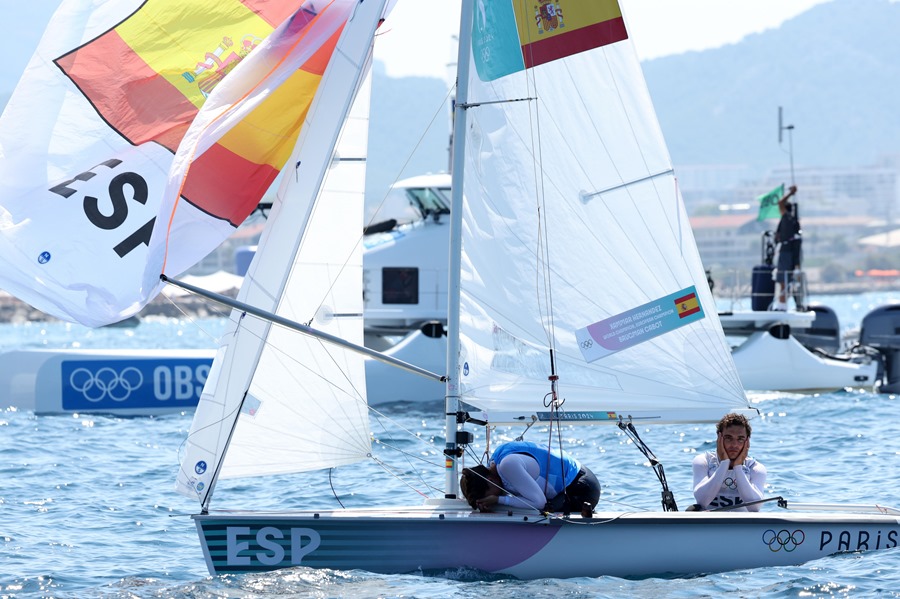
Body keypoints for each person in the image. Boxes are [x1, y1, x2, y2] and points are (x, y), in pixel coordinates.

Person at [459, 440, 600, 515]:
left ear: (490, 481)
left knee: (543, 511)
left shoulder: (508, 466)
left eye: (488, 496)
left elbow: (539, 502)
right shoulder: (495, 462)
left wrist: (498, 499)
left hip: (581, 488)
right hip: (573, 482)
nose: (490, 500)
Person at [690, 413, 767, 512]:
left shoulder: (755, 468)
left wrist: (738, 467)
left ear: (747, 442)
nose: (734, 445)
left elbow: (754, 507)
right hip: (710, 524)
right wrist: (724, 464)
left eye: (740, 439)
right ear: (719, 438)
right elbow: (702, 501)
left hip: (742, 525)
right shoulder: (703, 461)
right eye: (728, 438)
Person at [773, 184, 800, 310]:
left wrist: (790, 193)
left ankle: (782, 306)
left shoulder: (787, 217)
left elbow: (780, 203)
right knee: (785, 280)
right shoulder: (794, 221)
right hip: (790, 253)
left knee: (783, 280)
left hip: (785, 253)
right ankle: (782, 305)